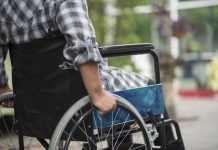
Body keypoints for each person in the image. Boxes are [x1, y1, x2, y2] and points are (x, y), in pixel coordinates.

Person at [0, 0, 152, 114]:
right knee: (150, 88)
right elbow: (82, 47)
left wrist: (2, 86)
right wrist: (97, 94)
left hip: (34, 102)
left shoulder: (5, 5)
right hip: (75, 94)